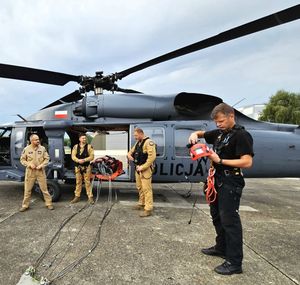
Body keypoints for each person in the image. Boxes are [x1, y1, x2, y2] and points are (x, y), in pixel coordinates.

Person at [188, 103, 254, 275]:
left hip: (231, 180)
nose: (218, 125)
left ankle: (234, 262)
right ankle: (221, 247)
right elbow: (202, 133)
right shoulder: (219, 133)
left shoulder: (241, 135)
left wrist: (220, 161)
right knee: (217, 216)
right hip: (215, 180)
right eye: (216, 122)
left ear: (231, 116)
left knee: (230, 220)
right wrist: (194, 135)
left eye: (221, 121)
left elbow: (247, 162)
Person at [19, 134, 54, 212]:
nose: (38, 141)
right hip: (30, 172)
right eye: (36, 140)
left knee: (44, 189)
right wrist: (29, 164)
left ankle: (49, 204)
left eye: (38, 139)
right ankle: (25, 205)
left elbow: (47, 158)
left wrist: (42, 165)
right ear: (31, 141)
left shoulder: (42, 148)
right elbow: (22, 160)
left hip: (40, 172)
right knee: (27, 190)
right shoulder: (26, 149)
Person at [127, 128, 156, 217]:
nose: (134, 137)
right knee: (140, 187)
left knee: (147, 189)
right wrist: (129, 156)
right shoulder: (137, 143)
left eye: (136, 135)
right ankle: (141, 203)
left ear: (141, 134)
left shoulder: (149, 142)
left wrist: (142, 167)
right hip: (138, 169)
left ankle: (148, 209)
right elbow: (130, 152)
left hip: (145, 170)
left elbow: (152, 157)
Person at [70, 133, 95, 204]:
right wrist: (78, 160)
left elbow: (92, 157)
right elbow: (73, 156)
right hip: (77, 167)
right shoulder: (75, 147)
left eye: (85, 138)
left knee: (87, 182)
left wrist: (84, 160)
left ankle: (90, 197)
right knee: (78, 182)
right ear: (79, 139)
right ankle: (77, 196)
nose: (84, 139)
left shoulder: (89, 147)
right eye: (83, 138)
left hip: (87, 167)